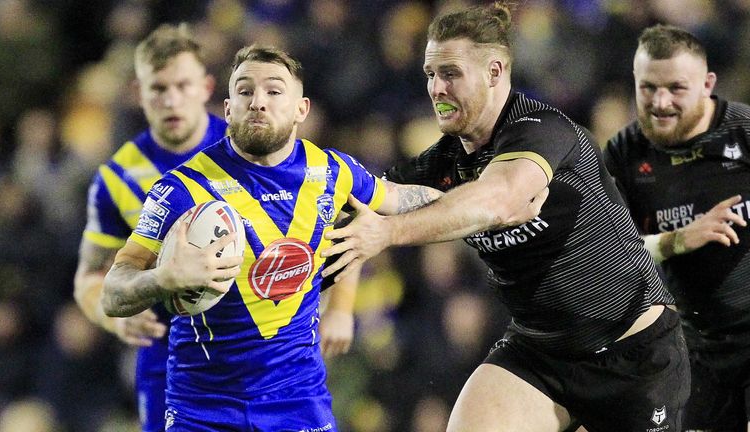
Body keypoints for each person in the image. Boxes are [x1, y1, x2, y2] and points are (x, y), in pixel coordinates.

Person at [100, 44, 536, 431]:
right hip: (203, 408)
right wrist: (163, 279)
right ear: (227, 109)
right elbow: (114, 293)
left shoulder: (332, 172)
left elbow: (400, 199)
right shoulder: (181, 189)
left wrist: (489, 201)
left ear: (301, 110)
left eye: (274, 91)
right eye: (245, 91)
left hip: (296, 401)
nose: (258, 102)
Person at [321, 4, 690, 431]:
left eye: (451, 73)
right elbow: (363, 206)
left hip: (631, 353)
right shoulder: (440, 162)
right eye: (429, 75)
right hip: (539, 354)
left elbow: (499, 198)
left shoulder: (542, 129)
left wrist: (389, 232)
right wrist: (342, 302)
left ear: (495, 71)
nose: (436, 88)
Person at [72, 25, 354, 431]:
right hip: (169, 352)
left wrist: (342, 307)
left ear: (206, 88)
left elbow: (338, 210)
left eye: (183, 85)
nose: (171, 100)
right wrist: (114, 318)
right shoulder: (116, 179)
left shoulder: (252, 138)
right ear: (139, 93)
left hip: (268, 355)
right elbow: (89, 277)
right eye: (158, 88)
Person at [604, 24, 750, 432]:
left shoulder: (745, 132)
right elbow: (606, 256)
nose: (660, 102)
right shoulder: (624, 154)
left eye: (676, 88)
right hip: (694, 350)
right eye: (648, 87)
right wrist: (680, 239)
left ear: (707, 84)